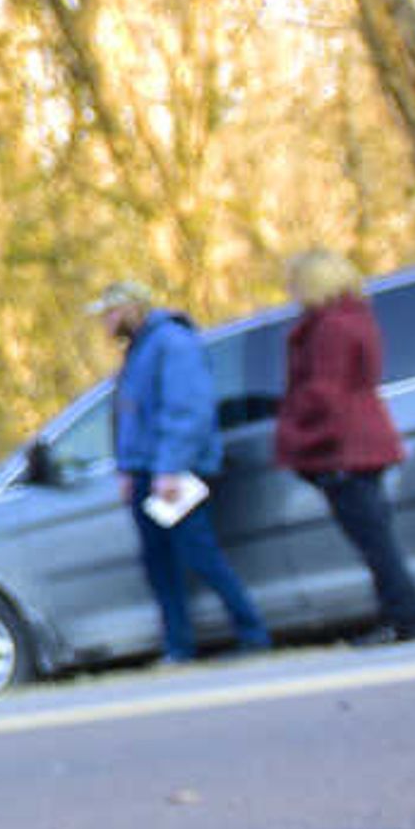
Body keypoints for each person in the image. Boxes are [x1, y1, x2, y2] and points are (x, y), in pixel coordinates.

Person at [88, 280, 270, 663]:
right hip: (145, 472)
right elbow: (131, 416)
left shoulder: (173, 343)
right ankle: (178, 646)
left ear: (129, 309)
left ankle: (252, 632)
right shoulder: (137, 351)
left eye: (109, 314)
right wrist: (127, 468)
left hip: (175, 472)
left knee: (199, 553)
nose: (104, 324)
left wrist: (169, 468)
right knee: (158, 563)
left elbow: (187, 410)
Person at [277, 248, 415, 645]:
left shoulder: (329, 328)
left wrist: (292, 433)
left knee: (373, 541)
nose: (291, 291)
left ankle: (403, 618)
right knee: (376, 537)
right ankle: (398, 616)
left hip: (343, 447)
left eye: (295, 283)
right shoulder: (356, 319)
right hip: (362, 441)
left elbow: (324, 392)